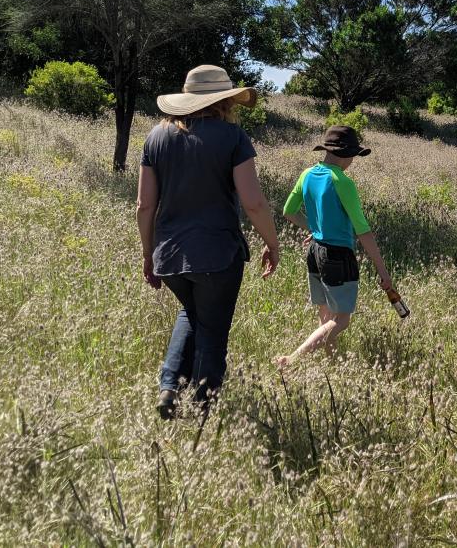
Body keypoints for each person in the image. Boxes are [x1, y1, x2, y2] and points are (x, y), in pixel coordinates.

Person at [136, 65, 280, 418]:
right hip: (218, 255)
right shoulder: (232, 138)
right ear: (225, 101)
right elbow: (253, 202)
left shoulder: (155, 137)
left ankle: (169, 389)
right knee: (212, 332)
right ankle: (203, 411)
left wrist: (148, 255)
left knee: (192, 313)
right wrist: (272, 243)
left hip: (169, 256)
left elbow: (144, 205)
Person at [274, 126, 393, 366]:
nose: (352, 161)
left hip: (315, 251)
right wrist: (383, 271)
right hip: (338, 256)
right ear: (346, 153)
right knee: (341, 320)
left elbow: (289, 211)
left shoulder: (307, 174)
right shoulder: (342, 182)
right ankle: (292, 360)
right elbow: (364, 231)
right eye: (353, 156)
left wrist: (315, 231)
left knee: (326, 317)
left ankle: (332, 366)